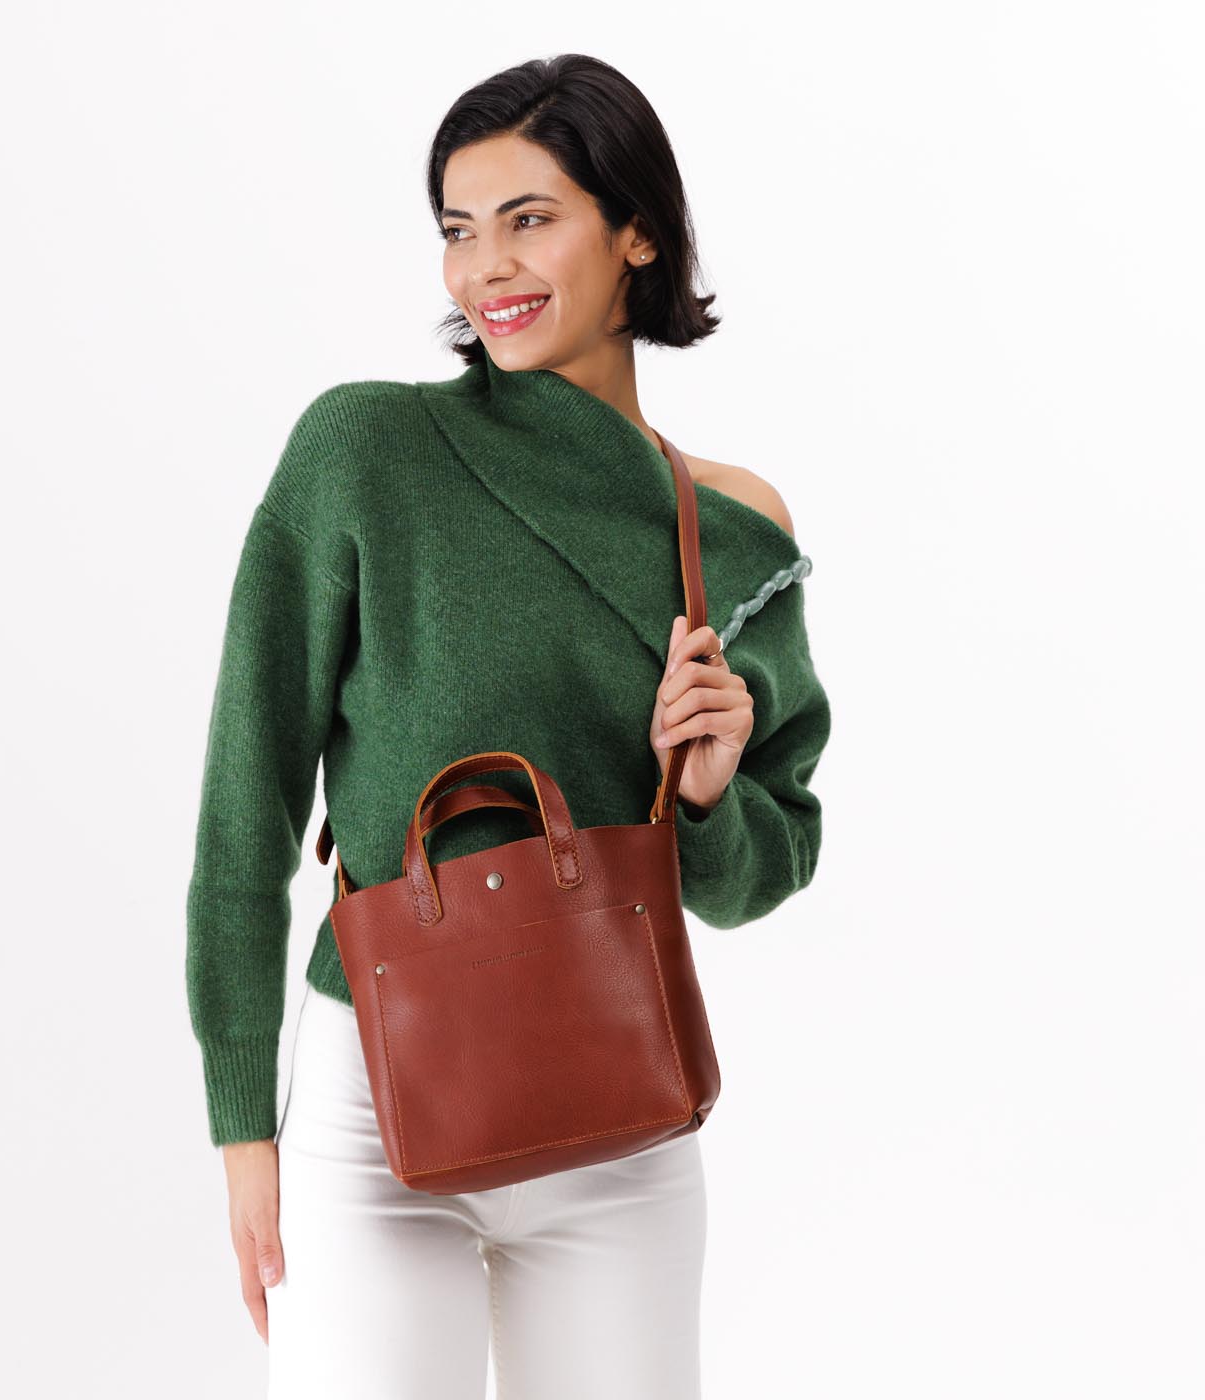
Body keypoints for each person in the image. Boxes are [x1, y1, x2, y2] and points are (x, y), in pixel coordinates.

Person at [185, 52, 832, 1400]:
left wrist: (708, 796)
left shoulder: (730, 528)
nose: (487, 268)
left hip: (622, 1114)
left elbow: (760, 873)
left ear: (636, 231)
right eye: (458, 228)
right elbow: (247, 811)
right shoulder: (363, 452)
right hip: (372, 1108)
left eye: (529, 218)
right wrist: (246, 1128)